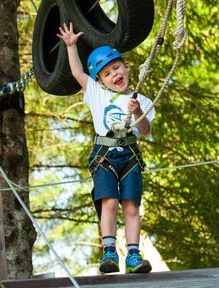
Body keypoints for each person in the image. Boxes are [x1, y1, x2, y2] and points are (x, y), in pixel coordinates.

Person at [58, 22, 154, 274]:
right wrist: (71, 46)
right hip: (105, 156)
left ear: (126, 66)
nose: (114, 75)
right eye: (107, 74)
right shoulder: (96, 93)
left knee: (132, 206)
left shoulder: (141, 99)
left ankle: (133, 255)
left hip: (130, 156)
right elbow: (78, 73)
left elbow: (145, 131)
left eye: (116, 68)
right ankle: (109, 251)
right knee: (109, 203)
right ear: (101, 80)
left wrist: (138, 112)